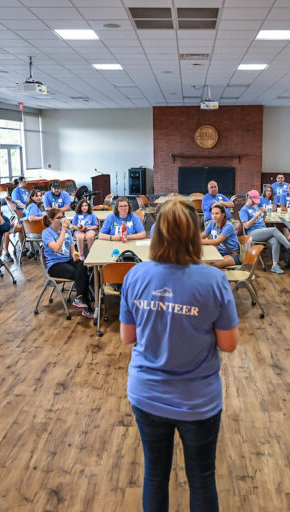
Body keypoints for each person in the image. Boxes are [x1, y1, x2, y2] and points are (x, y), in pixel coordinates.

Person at [119, 199, 239, 512]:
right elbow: (228, 344)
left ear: (155, 234)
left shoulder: (135, 275)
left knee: (155, 475)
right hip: (198, 400)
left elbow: (127, 336)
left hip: (146, 394)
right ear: (195, 235)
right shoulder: (213, 280)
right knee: (201, 478)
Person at [42, 207, 94, 318]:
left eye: (63, 217)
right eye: (58, 218)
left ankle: (80, 298)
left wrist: (75, 255)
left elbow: (72, 249)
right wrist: (64, 231)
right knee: (79, 274)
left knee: (82, 265)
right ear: (51, 220)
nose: (62, 220)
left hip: (67, 261)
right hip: (55, 265)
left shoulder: (67, 232)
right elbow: (56, 248)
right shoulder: (46, 233)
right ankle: (86, 305)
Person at [239, 190, 290, 274]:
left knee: (275, 239)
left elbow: (261, 221)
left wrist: (264, 214)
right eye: (253, 200)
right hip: (252, 233)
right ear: (248, 197)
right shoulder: (243, 210)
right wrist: (256, 216)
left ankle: (275, 265)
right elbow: (246, 226)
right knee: (274, 229)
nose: (254, 203)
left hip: (261, 230)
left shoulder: (255, 207)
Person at [201, 204, 240, 269]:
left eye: (217, 213)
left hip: (232, 254)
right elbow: (204, 235)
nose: (214, 216)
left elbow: (217, 242)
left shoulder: (228, 226)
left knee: (212, 265)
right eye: (213, 213)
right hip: (219, 253)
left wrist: (198, 241)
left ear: (223, 214)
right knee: (202, 261)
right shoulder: (212, 223)